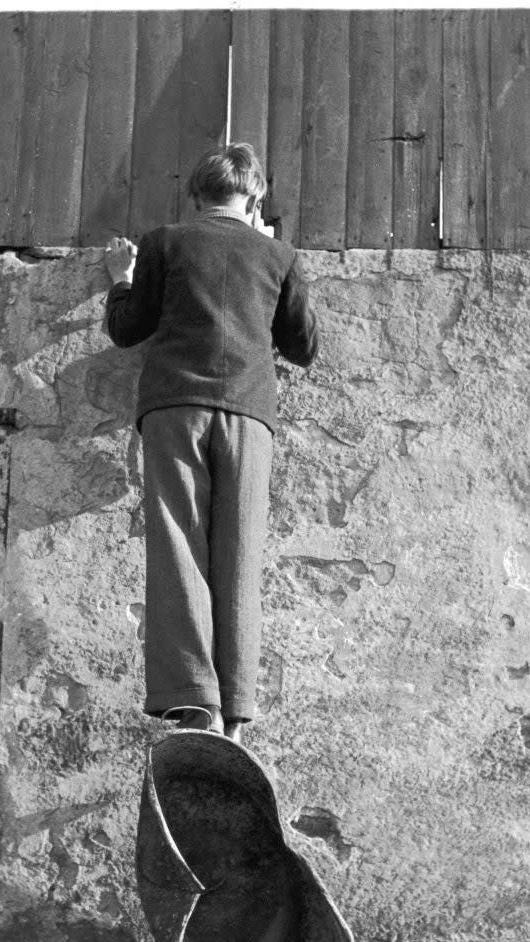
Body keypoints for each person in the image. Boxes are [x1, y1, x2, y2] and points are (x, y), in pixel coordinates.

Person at [103, 142, 318, 744]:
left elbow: (128, 329)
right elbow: (304, 347)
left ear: (196, 195)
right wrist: (269, 248)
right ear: (253, 198)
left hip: (174, 407)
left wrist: (121, 281)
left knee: (179, 546)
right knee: (240, 555)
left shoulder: (164, 243)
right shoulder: (278, 254)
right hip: (249, 415)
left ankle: (193, 702)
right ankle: (238, 713)